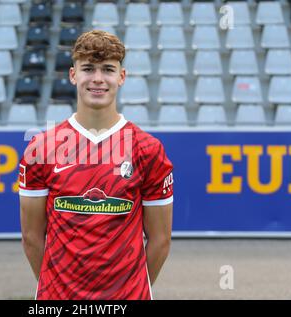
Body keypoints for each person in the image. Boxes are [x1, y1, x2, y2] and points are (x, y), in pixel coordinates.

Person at [18, 30, 174, 300]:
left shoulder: (148, 150)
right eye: (88, 69)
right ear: (72, 75)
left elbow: (160, 240)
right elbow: (32, 237)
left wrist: (132, 290)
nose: (98, 79)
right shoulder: (40, 149)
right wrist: (57, 287)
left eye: (108, 69)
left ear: (121, 77)